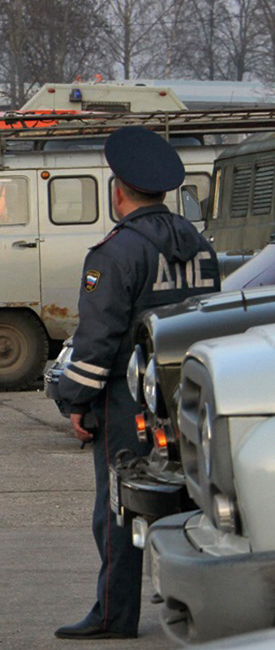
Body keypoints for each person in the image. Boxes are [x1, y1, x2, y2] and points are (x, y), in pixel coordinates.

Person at [53, 127, 220, 641]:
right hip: (189, 395)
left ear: (118, 189)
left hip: (128, 401)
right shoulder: (198, 246)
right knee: (194, 500)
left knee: (120, 507)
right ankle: (199, 605)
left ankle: (113, 615)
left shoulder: (116, 252)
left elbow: (98, 341)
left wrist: (75, 402)